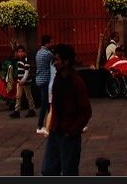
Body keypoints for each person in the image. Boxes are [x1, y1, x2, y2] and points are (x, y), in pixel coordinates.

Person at [41, 44, 92, 176]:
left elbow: (86, 111)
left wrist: (72, 131)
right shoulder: (58, 78)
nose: (54, 63)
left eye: (57, 60)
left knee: (69, 170)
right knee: (48, 169)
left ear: (67, 61)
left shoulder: (76, 82)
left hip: (68, 133)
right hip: (55, 131)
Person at [9, 45, 36, 119]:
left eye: (22, 52)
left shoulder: (26, 61)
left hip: (26, 82)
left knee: (28, 95)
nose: (20, 53)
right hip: (19, 81)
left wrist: (23, 80)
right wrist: (19, 80)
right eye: (19, 52)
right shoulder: (19, 61)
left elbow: (26, 72)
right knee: (18, 96)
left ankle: (31, 109)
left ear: (25, 52)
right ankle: (17, 111)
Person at [35, 35, 55, 135]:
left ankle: (49, 123)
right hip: (45, 80)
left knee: (47, 104)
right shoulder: (48, 54)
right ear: (46, 43)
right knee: (45, 104)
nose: (52, 44)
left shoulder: (39, 52)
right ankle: (40, 125)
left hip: (39, 79)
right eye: (51, 42)